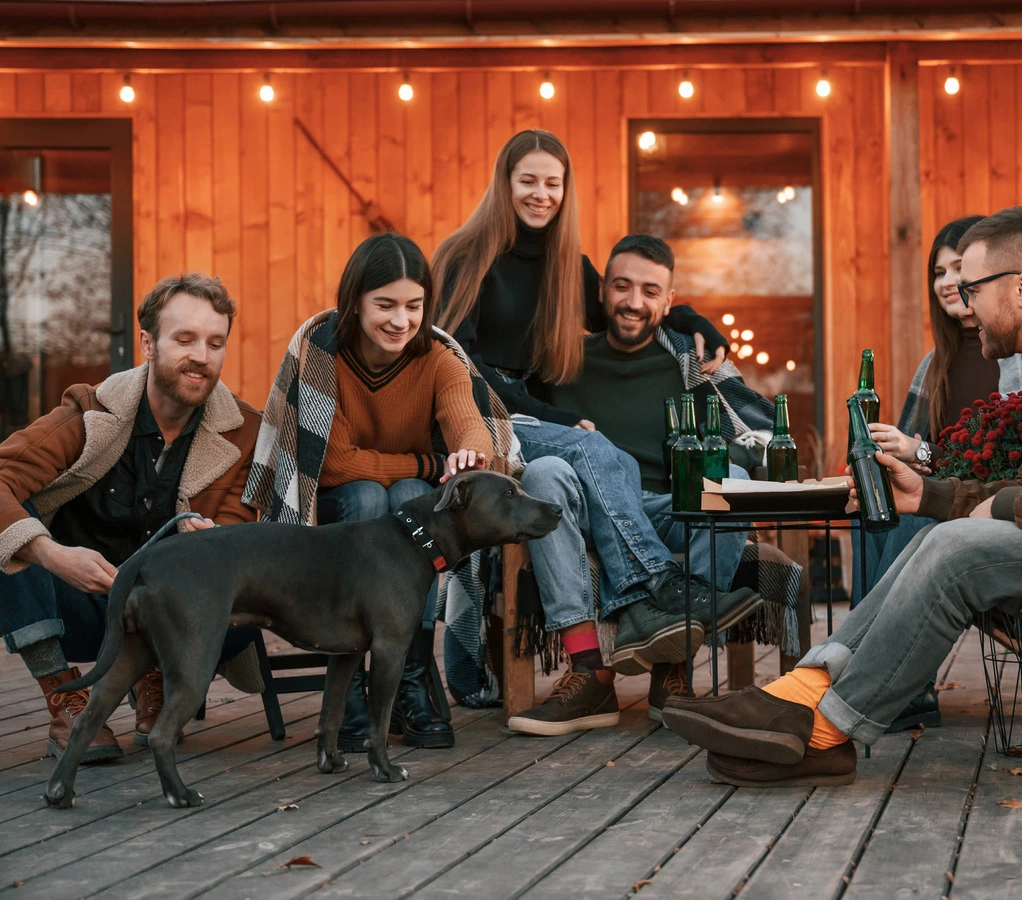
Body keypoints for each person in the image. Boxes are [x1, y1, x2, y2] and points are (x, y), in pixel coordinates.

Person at [662, 206, 1022, 788]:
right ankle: (802, 693)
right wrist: (934, 493)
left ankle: (822, 729)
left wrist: (996, 508)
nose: (964, 304)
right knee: (947, 538)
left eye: (973, 288)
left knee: (959, 554)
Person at [433, 132, 754, 688]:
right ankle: (657, 590)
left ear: (565, 189)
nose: (540, 194)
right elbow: (459, 363)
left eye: (552, 183)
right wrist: (551, 416)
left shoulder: (566, 264)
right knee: (594, 446)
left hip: (534, 417)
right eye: (527, 180)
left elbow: (626, 307)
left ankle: (665, 646)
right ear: (504, 183)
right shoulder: (467, 255)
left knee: (625, 460)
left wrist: (695, 319)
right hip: (477, 413)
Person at [507, 234, 773, 736]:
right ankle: (591, 673)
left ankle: (672, 666)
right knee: (543, 473)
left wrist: (712, 453)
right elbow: (519, 424)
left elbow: (743, 440)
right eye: (622, 287)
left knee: (734, 479)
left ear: (669, 302)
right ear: (602, 291)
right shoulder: (560, 359)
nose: (633, 302)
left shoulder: (689, 365)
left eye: (650, 291)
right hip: (584, 514)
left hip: (668, 510)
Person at [243, 233, 494, 753]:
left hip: (406, 517)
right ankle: (352, 681)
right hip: (340, 514)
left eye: (414, 305)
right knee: (369, 497)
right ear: (356, 300)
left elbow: (468, 423)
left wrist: (470, 453)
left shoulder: (438, 357)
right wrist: (429, 462)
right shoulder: (323, 353)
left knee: (404, 496)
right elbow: (336, 462)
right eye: (385, 304)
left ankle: (408, 678)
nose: (401, 320)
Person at [0, 273, 263, 762]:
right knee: (10, 529)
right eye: (184, 339)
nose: (201, 357)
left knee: (244, 602)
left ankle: (152, 675)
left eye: (214, 342)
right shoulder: (90, 411)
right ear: (147, 342)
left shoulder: (245, 432)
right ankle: (66, 701)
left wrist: (210, 544)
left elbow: (241, 532)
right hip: (81, 607)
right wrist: (53, 555)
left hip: (169, 615)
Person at [853, 215, 1022, 733]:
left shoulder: (1018, 358)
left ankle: (895, 680)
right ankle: (889, 676)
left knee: (912, 517)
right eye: (939, 271)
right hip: (943, 503)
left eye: (960, 268)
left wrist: (921, 453)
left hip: (994, 511)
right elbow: (911, 462)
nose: (949, 281)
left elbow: (1015, 463)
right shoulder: (935, 363)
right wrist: (883, 464)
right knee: (876, 506)